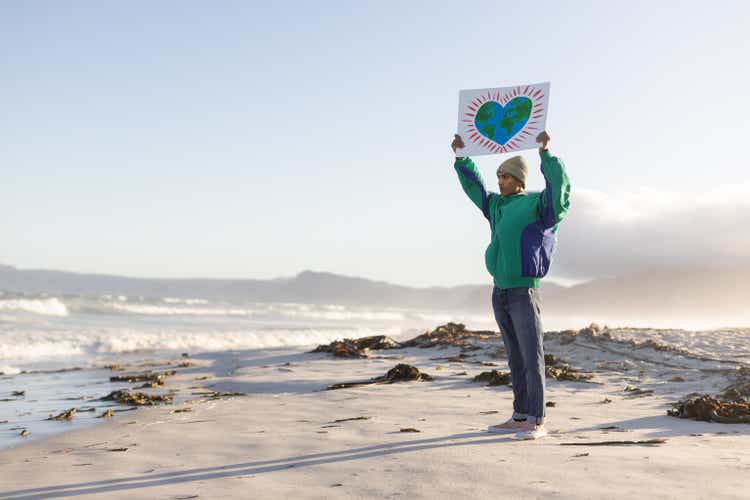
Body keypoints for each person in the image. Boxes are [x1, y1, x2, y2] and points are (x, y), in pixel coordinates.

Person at [451, 131, 570, 440]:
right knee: (515, 357)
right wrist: (462, 158)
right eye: (499, 175)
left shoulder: (537, 206)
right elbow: (474, 188)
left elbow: (559, 194)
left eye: (506, 176)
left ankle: (537, 419)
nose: (500, 180)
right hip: (500, 291)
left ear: (519, 180)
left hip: (523, 291)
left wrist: (546, 155)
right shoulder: (496, 207)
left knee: (533, 356)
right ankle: (520, 415)